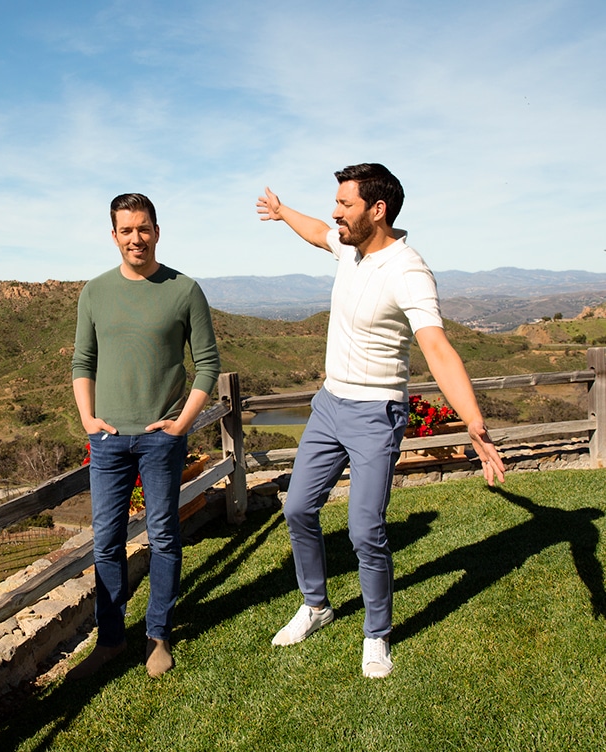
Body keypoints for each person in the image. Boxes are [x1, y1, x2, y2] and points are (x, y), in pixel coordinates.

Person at [256, 163, 506, 678]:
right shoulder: (349, 245)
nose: (334, 212)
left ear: (377, 210)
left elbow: (436, 346)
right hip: (328, 406)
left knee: (364, 528)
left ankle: (377, 634)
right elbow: (315, 234)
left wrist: (473, 421)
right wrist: (282, 214)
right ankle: (316, 605)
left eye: (344, 204)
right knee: (298, 509)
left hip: (376, 414)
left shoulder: (409, 270)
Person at [69, 193, 221, 679]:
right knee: (106, 542)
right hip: (108, 439)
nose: (136, 238)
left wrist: (182, 423)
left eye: (143, 228)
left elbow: (208, 364)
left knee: (163, 536)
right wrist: (88, 419)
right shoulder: (94, 292)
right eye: (126, 230)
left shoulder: (184, 290)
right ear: (113, 235)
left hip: (161, 438)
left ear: (157, 230)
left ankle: (159, 634)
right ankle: (111, 640)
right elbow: (82, 362)